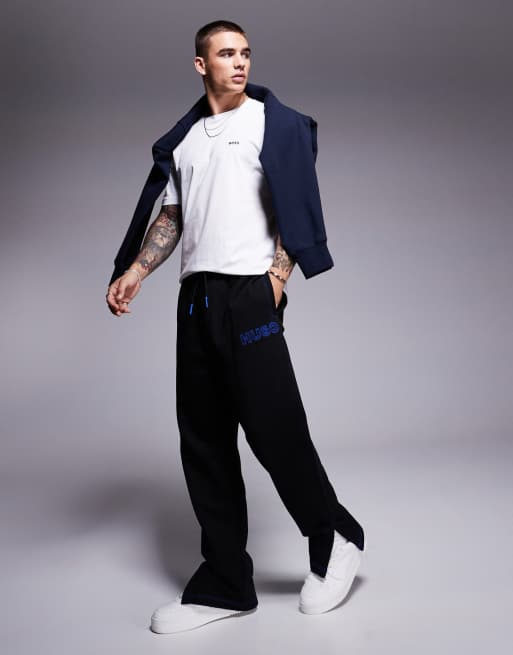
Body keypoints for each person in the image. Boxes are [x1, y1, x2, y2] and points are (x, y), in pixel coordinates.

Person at [106, 19, 365, 634]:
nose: (240, 62)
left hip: (249, 295)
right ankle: (225, 583)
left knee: (275, 428)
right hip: (194, 300)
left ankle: (334, 537)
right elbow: (172, 215)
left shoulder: (273, 124)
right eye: (226, 54)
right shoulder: (186, 141)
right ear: (201, 65)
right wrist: (137, 269)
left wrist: (276, 278)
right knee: (203, 439)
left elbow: (294, 202)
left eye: (245, 53)